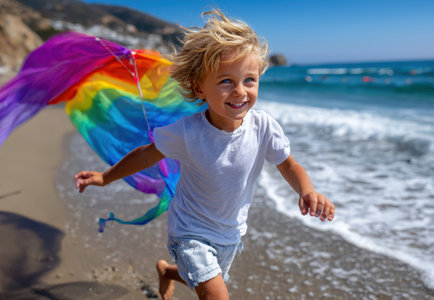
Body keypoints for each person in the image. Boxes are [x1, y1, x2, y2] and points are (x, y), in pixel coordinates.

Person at [74, 9, 335, 300]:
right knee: (216, 295)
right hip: (189, 231)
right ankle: (177, 269)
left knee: (203, 280)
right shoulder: (188, 131)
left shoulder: (263, 127)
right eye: (226, 81)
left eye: (249, 80)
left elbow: (288, 165)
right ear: (200, 88)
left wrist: (307, 190)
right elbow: (146, 155)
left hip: (230, 234)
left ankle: (167, 272)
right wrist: (104, 177)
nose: (239, 91)